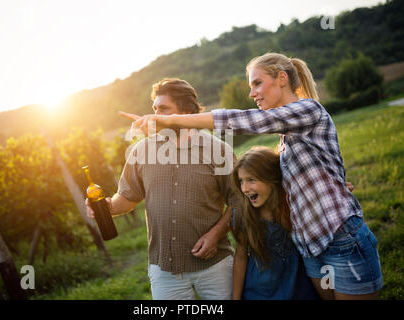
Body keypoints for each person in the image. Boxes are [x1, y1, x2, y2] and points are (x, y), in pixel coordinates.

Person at [120, 52, 383, 300]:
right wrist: (335, 183)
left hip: (341, 239)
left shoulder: (309, 110)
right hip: (312, 247)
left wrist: (172, 120)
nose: (252, 92)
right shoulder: (287, 136)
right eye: (251, 86)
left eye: (257, 83)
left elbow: (246, 120)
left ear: (282, 78)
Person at [88, 78, 238, 300]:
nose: (154, 115)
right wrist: (108, 207)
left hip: (215, 265)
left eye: (163, 109)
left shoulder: (219, 150)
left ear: (186, 112)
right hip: (164, 270)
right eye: (154, 108)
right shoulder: (140, 151)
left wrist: (216, 235)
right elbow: (127, 198)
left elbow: (239, 202)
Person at [231, 146, 319, 300]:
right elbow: (240, 258)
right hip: (260, 292)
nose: (244, 188)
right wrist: (235, 298)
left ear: (271, 178)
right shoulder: (243, 214)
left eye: (251, 180)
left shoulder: (293, 206)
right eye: (241, 181)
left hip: (299, 289)